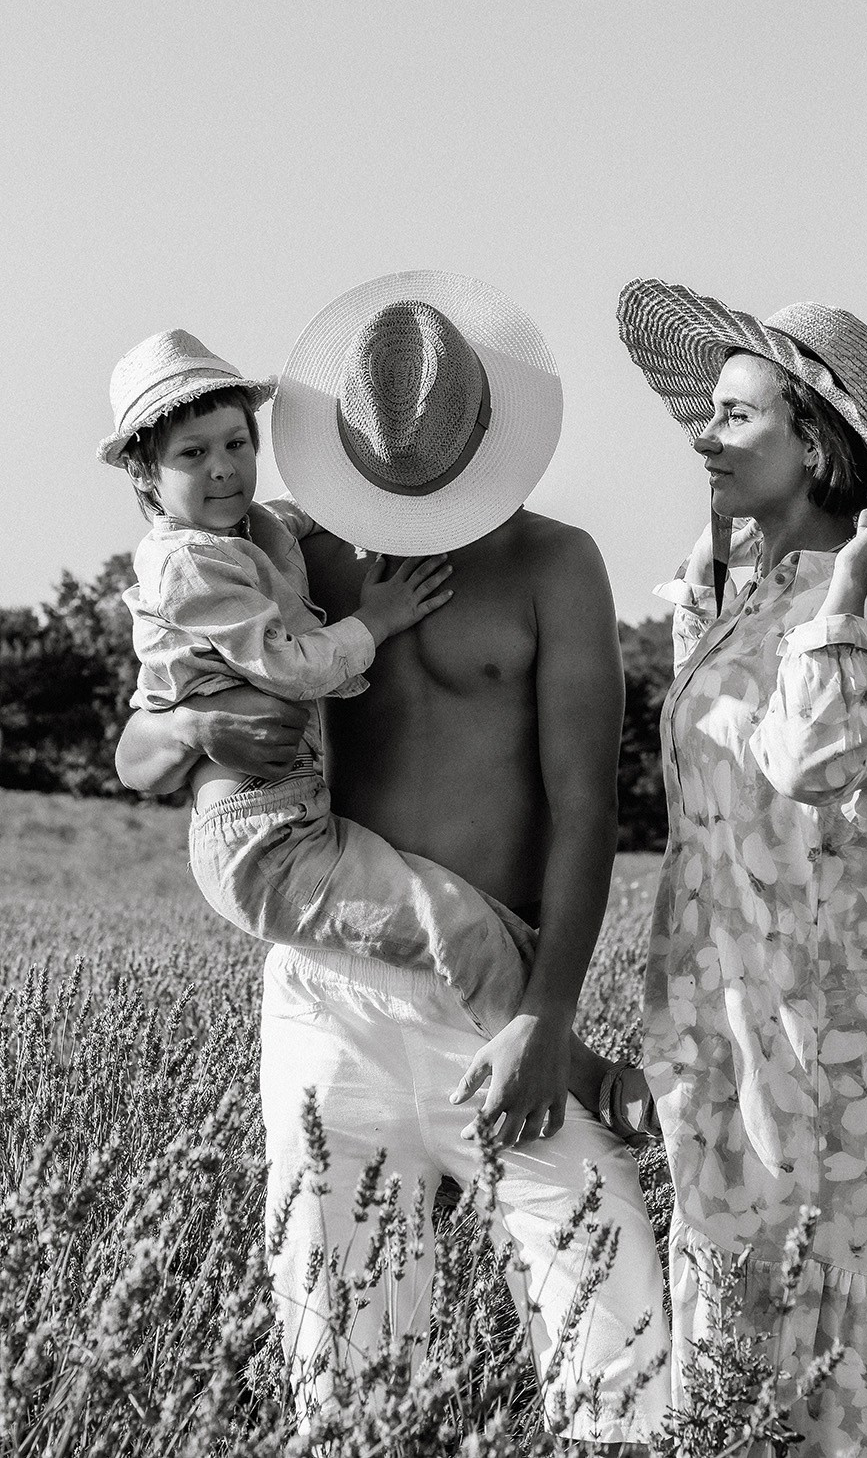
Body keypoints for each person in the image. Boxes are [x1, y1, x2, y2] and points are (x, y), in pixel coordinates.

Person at [116, 273, 669, 1453]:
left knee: (617, 1331)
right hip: (329, 996)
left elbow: (588, 811)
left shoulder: (555, 564)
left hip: (500, 1005)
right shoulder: (295, 561)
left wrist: (547, 1019)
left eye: (233, 444)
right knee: (344, 1372)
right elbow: (139, 746)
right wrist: (199, 728)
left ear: (484, 434)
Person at [617, 282, 867, 1457]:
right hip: (735, 1013)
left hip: (828, 1035)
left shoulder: (859, 605)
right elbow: (702, 728)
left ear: (811, 443)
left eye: (734, 416)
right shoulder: (761, 594)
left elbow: (808, 762)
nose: (701, 438)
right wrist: (722, 555)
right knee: (742, 1306)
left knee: (830, 1303)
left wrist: (854, 573)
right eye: (705, 413)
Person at [98, 327, 547, 1038]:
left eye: (236, 444)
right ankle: (562, 1067)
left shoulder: (251, 531)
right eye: (192, 454)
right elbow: (285, 666)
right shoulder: (188, 565)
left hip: (296, 816)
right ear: (144, 475)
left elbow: (300, 510)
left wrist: (355, 489)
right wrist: (377, 621)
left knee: (479, 924)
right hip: (259, 833)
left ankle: (547, 1052)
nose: (223, 468)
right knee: (456, 925)